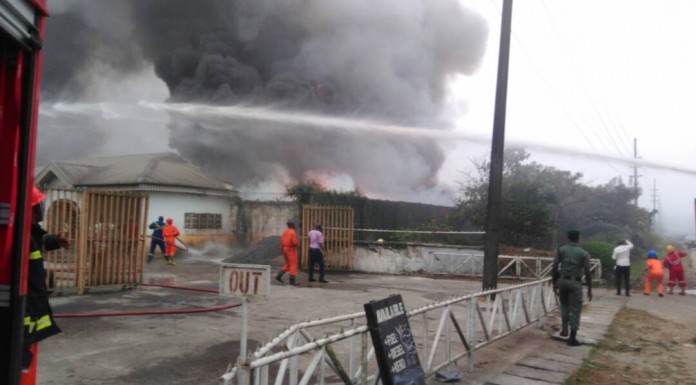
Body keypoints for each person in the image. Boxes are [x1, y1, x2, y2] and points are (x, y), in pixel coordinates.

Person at [23, 187, 70, 369]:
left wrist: (55, 241)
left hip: (29, 322)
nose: (40, 210)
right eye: (38, 205)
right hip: (25, 318)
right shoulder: (21, 236)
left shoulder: (26, 233)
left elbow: (37, 240)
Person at [552, 229, 593, 346]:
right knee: (575, 309)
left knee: (564, 304)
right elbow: (587, 271)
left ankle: (564, 329)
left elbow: (555, 266)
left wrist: (554, 282)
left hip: (562, 280)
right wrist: (590, 288)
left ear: (568, 237)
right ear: (578, 238)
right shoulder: (583, 253)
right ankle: (572, 336)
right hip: (575, 282)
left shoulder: (561, 249)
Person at [276, 220, 299, 286]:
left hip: (284, 249)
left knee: (288, 264)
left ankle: (279, 276)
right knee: (293, 264)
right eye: (294, 224)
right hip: (290, 249)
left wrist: (281, 250)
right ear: (292, 225)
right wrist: (297, 246)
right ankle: (292, 281)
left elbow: (281, 241)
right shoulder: (292, 232)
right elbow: (295, 242)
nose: (295, 225)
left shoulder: (285, 232)